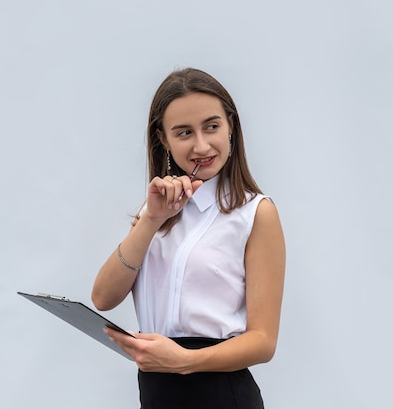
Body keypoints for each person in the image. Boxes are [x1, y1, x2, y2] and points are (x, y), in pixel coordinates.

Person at [91, 67, 286, 409]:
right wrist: (151, 219)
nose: (201, 145)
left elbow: (263, 342)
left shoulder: (256, 213)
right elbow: (104, 298)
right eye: (184, 133)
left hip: (220, 395)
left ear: (231, 127)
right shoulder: (156, 212)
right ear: (163, 139)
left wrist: (183, 361)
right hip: (157, 395)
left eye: (212, 126)